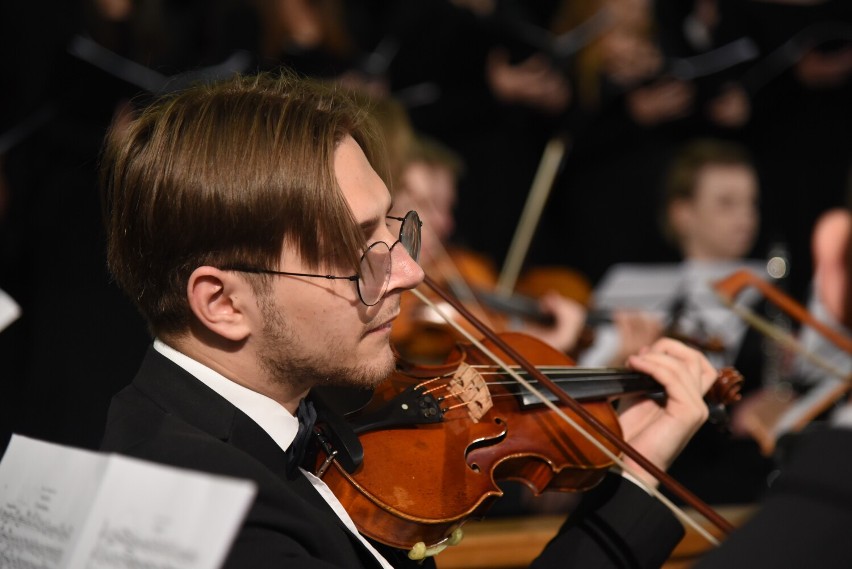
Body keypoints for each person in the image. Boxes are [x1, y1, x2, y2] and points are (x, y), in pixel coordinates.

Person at [98, 70, 719, 568]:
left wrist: (632, 469)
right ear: (223, 305)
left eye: (394, 230)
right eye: (356, 252)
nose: (410, 273)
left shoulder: (287, 420)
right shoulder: (212, 522)